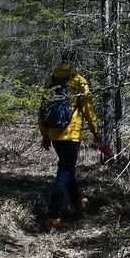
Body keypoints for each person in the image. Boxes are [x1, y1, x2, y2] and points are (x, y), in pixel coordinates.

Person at [37, 47, 101, 229]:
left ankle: (79, 201)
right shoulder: (78, 81)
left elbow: (42, 109)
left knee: (67, 169)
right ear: (76, 61)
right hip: (71, 134)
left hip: (54, 134)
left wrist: (44, 134)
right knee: (64, 172)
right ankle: (53, 215)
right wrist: (95, 131)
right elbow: (88, 109)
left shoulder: (51, 81)